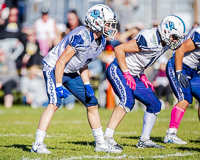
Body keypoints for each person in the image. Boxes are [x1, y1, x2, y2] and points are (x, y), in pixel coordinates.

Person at [30, 4, 120, 154]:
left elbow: (83, 64)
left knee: (92, 102)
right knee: (54, 103)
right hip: (54, 68)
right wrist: (58, 86)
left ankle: (100, 143)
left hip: (70, 70)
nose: (110, 27)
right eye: (107, 23)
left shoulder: (101, 41)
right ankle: (37, 144)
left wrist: (87, 84)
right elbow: (60, 62)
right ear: (96, 22)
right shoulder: (81, 36)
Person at [103, 15, 185, 150]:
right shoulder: (149, 38)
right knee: (127, 101)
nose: (176, 40)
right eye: (174, 36)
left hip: (133, 74)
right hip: (118, 69)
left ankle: (144, 140)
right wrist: (127, 73)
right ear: (165, 31)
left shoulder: (163, 43)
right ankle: (107, 138)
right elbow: (119, 49)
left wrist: (142, 76)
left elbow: (141, 59)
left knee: (155, 104)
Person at [163, 25, 200, 145]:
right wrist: (178, 72)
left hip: (192, 69)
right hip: (178, 65)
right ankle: (171, 135)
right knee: (184, 99)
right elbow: (180, 49)